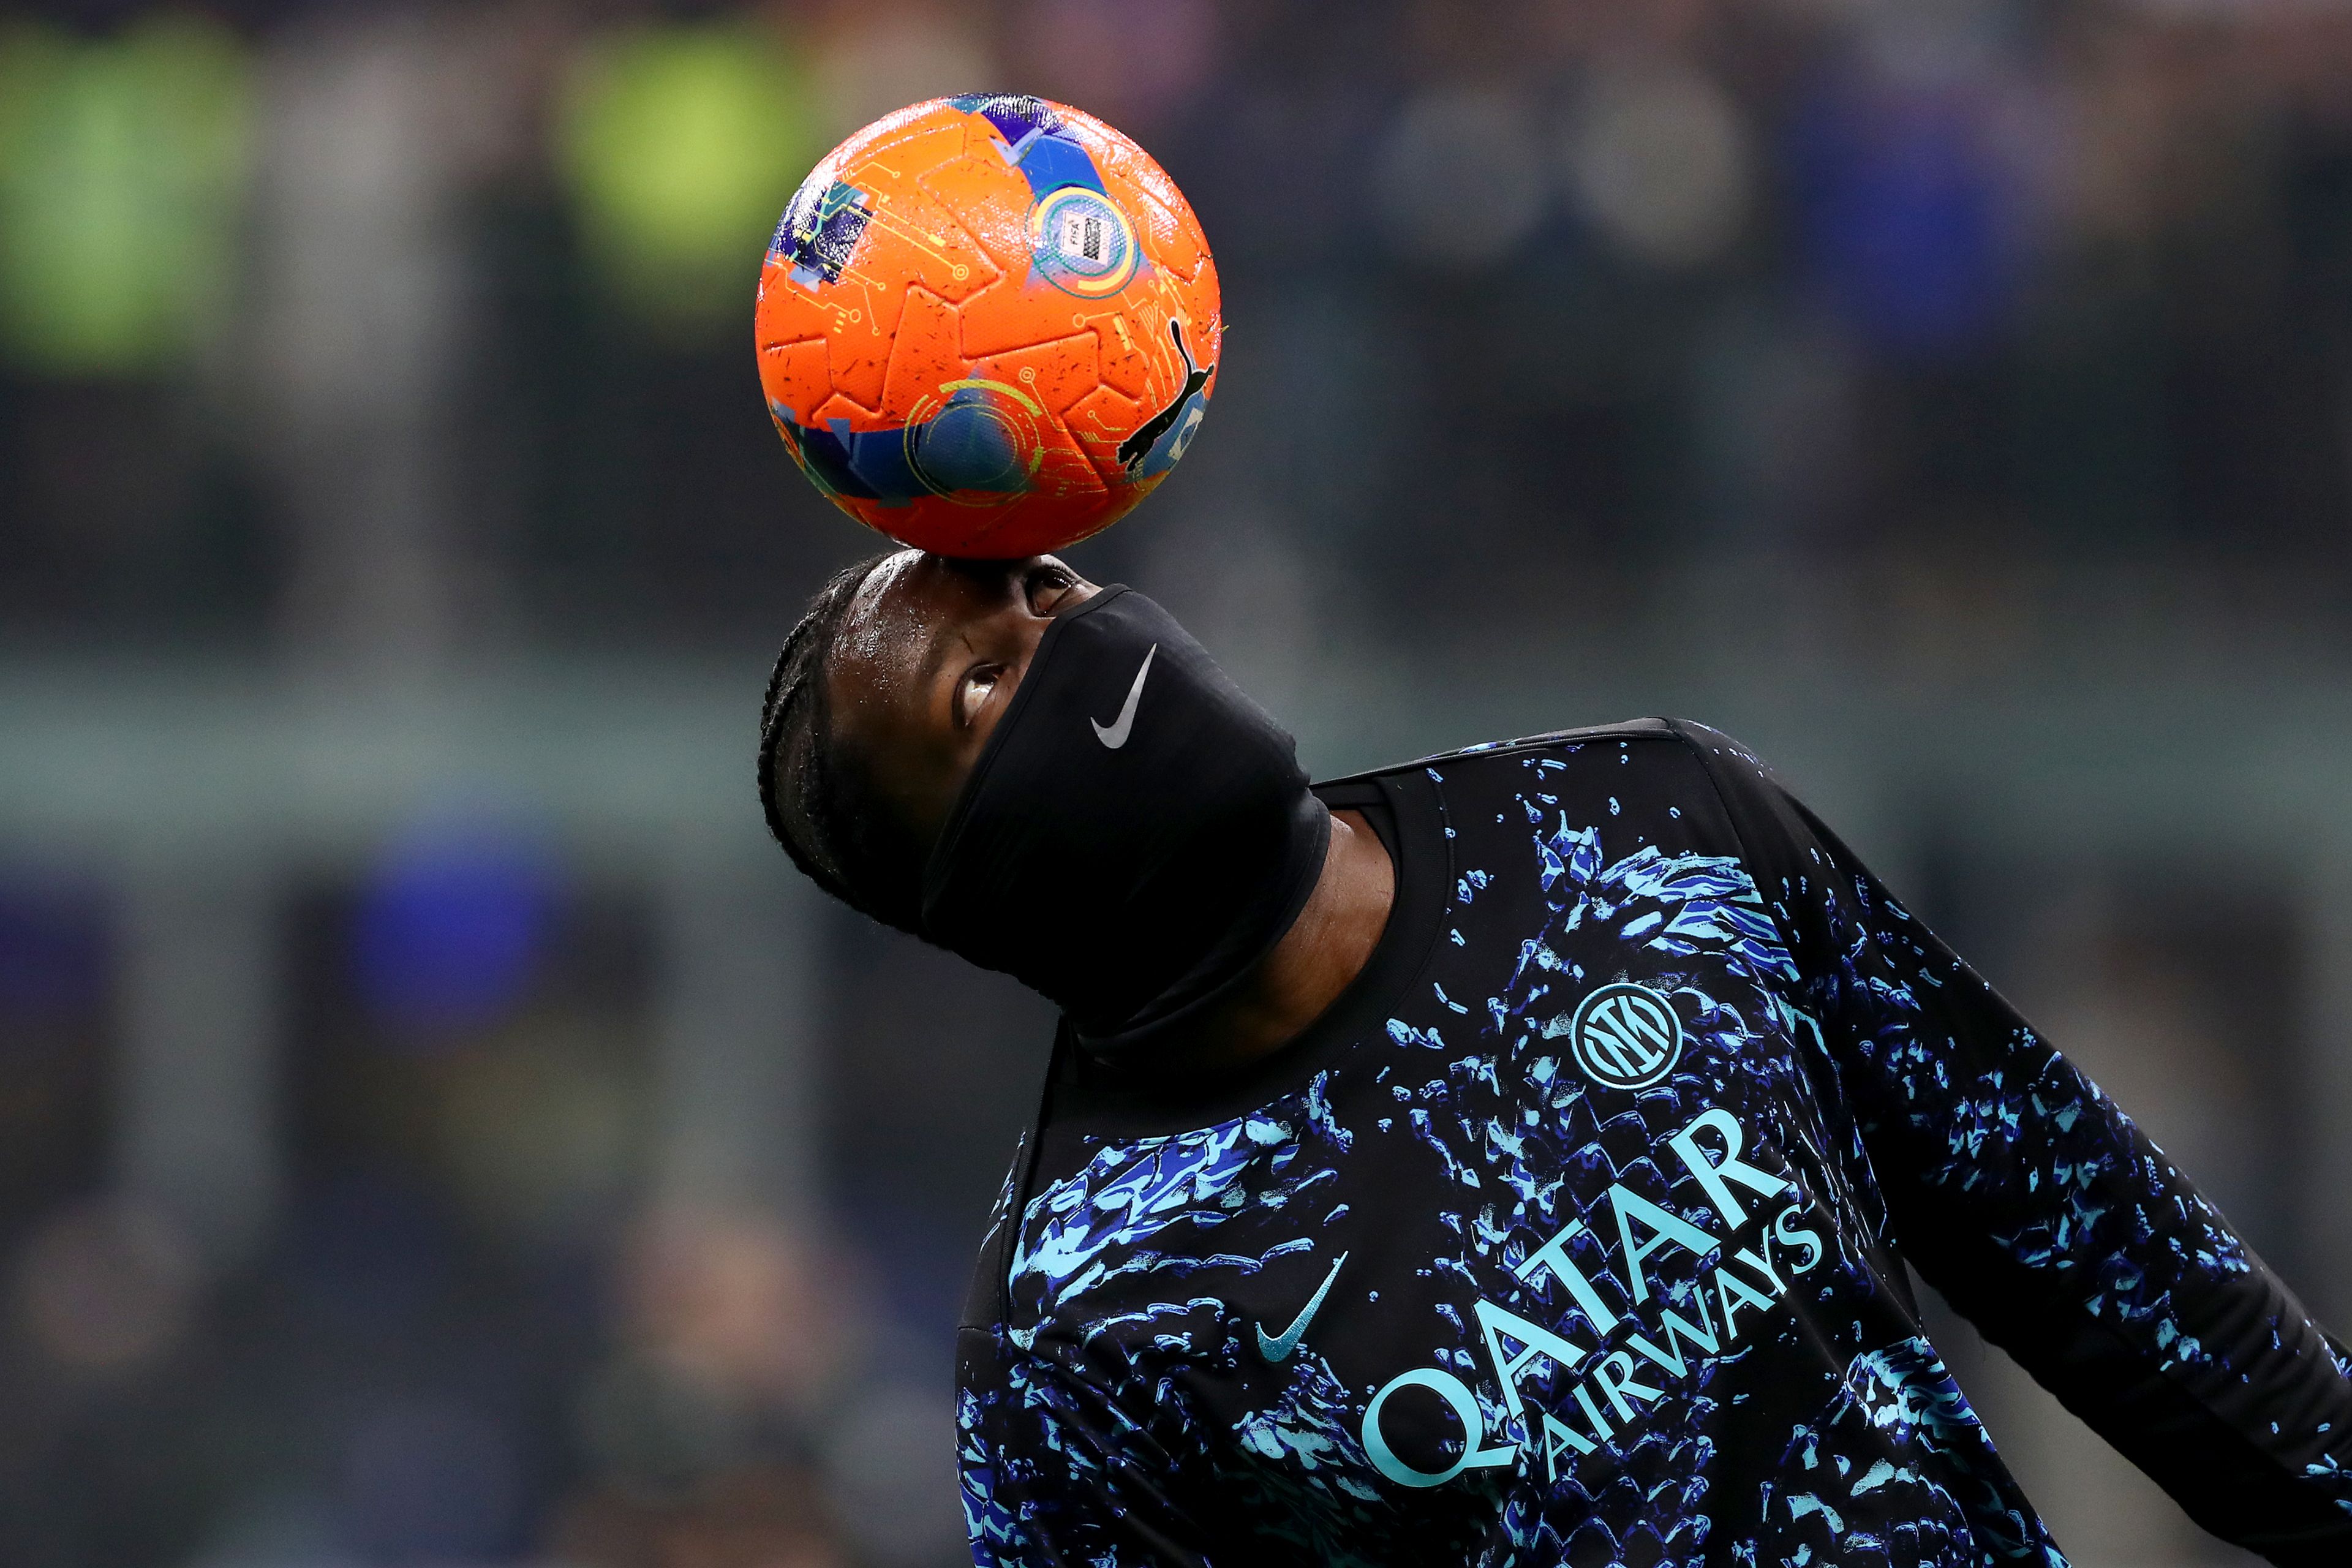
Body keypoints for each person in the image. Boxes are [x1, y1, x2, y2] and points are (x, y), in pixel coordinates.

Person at [756, 549, 2352, 1567]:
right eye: (983, 686)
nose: (1070, 637)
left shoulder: (1646, 820)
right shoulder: (1075, 1332)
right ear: (971, 886)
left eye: (1048, 589)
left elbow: (2115, 1266)